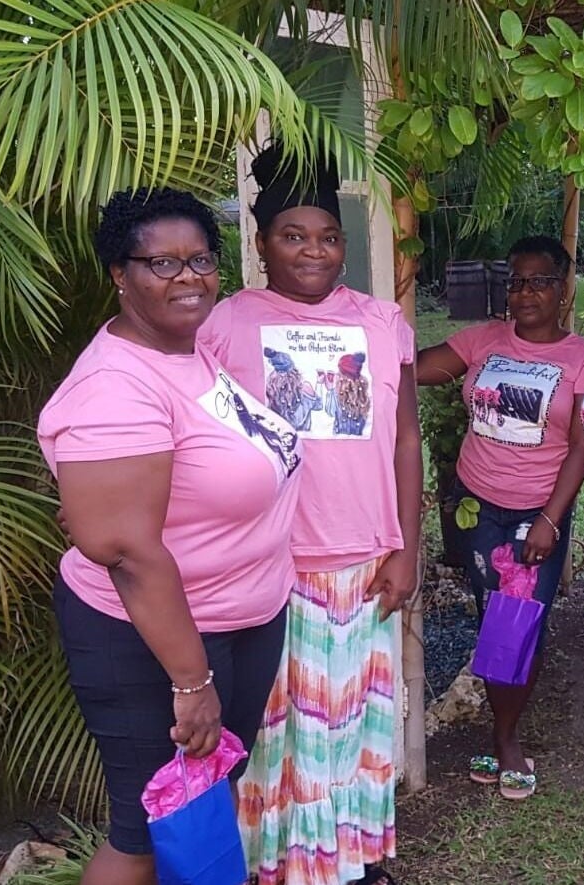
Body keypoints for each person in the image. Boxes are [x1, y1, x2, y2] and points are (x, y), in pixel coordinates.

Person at [39, 188, 301, 885]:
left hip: (236, 619)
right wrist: (192, 681)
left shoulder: (186, 351)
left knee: (201, 802)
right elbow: (126, 551)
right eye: (162, 263)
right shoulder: (114, 388)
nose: (188, 277)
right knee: (147, 830)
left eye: (201, 259)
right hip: (155, 643)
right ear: (120, 275)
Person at [200, 144, 421, 885]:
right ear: (262, 242)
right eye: (293, 235)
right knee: (276, 730)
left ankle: (350, 857)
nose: (313, 251)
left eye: (328, 236)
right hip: (266, 566)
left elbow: (406, 437)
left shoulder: (382, 322)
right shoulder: (223, 326)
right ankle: (277, 865)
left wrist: (406, 547)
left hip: (364, 560)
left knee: (353, 722)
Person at [416, 235, 584, 800]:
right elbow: (417, 370)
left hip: (537, 511)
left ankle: (506, 737)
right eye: (517, 281)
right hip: (477, 505)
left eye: (540, 281)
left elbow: (582, 446)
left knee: (521, 621)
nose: (525, 293)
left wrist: (551, 518)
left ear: (563, 289)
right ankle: (500, 727)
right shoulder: (484, 340)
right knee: (489, 615)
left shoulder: (583, 358)